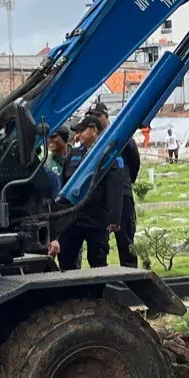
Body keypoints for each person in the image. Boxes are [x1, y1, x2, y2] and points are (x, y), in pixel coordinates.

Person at [55, 115, 124, 270]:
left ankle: (96, 294)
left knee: (98, 260)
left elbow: (115, 188)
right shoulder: (73, 155)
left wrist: (114, 218)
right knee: (66, 260)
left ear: (93, 130)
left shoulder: (108, 155)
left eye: (81, 130)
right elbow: (63, 185)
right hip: (73, 218)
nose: (78, 135)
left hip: (97, 218)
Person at [90, 102, 139, 268]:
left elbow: (134, 161)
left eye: (98, 116)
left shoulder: (121, 135)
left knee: (125, 239)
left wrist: (124, 183)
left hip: (122, 195)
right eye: (92, 115)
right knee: (99, 244)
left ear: (106, 117)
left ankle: (131, 277)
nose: (95, 119)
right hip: (100, 198)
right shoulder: (91, 139)